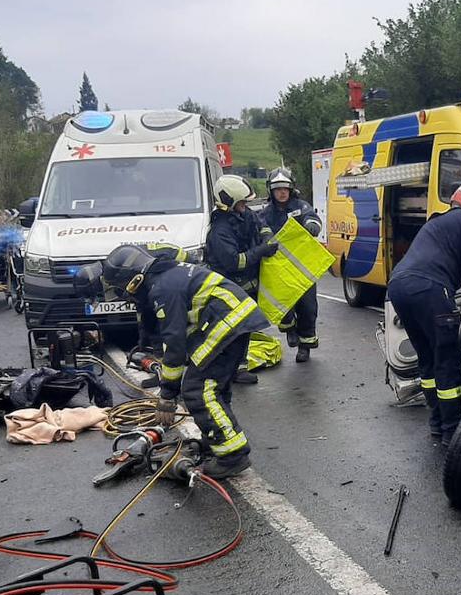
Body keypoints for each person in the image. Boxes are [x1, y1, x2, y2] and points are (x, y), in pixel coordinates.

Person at [78, 244, 268, 478]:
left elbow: (174, 344)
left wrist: (167, 396)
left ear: (134, 280)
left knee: (198, 391)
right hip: (235, 319)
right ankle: (217, 439)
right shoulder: (162, 274)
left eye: (121, 290)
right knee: (214, 389)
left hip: (226, 323)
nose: (123, 296)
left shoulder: (162, 289)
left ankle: (232, 457)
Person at [386, 183, 461, 444]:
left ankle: (437, 422)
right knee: (447, 358)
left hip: (399, 287)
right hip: (429, 288)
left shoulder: (438, 224)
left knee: (427, 357)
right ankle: (453, 428)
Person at [205, 174, 278, 384]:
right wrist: (261, 250)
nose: (246, 206)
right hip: (228, 287)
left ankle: (240, 367)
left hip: (246, 286)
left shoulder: (243, 216)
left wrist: (266, 236)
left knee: (245, 329)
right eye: (242, 202)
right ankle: (231, 370)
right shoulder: (220, 232)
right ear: (229, 202)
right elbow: (235, 263)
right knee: (233, 332)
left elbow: (260, 224)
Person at [259, 167, 323, 363]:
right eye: (277, 189)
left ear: (291, 188)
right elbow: (260, 228)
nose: (282, 192)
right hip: (279, 270)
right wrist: (266, 236)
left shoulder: (301, 206)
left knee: (307, 307)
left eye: (285, 188)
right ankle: (289, 328)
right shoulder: (265, 213)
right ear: (271, 190)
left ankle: (305, 346)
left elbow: (313, 218)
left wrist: (312, 224)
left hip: (302, 267)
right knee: (283, 307)